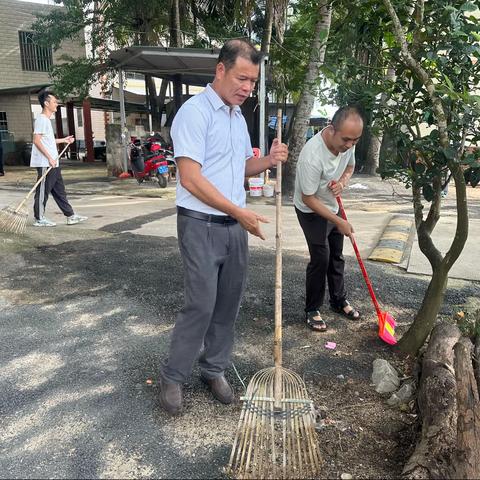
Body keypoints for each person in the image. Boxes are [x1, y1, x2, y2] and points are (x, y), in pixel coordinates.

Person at [159, 39, 288, 415]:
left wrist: (268, 160)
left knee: (228, 304)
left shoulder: (237, 117)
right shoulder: (194, 113)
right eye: (242, 78)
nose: (248, 87)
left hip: (234, 226)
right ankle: (173, 376)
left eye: (253, 81)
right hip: (200, 224)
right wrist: (240, 211)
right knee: (200, 304)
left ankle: (213, 368)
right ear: (220, 70)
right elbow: (191, 179)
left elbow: (237, 169)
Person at [294, 106, 364, 332]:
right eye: (346, 140)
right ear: (332, 130)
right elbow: (308, 198)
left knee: (336, 254)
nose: (350, 145)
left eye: (355, 140)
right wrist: (338, 221)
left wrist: (342, 182)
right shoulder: (312, 156)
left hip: (332, 204)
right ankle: (312, 308)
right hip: (310, 209)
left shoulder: (348, 143)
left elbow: (350, 167)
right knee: (320, 258)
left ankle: (338, 300)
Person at [31, 89, 87, 227]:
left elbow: (47, 141)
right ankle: (39, 218)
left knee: (60, 191)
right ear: (46, 103)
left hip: (53, 162)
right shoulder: (42, 120)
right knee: (43, 191)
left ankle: (70, 216)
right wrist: (49, 157)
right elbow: (36, 141)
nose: (57, 104)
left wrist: (64, 140)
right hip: (46, 163)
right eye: (54, 101)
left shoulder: (46, 121)